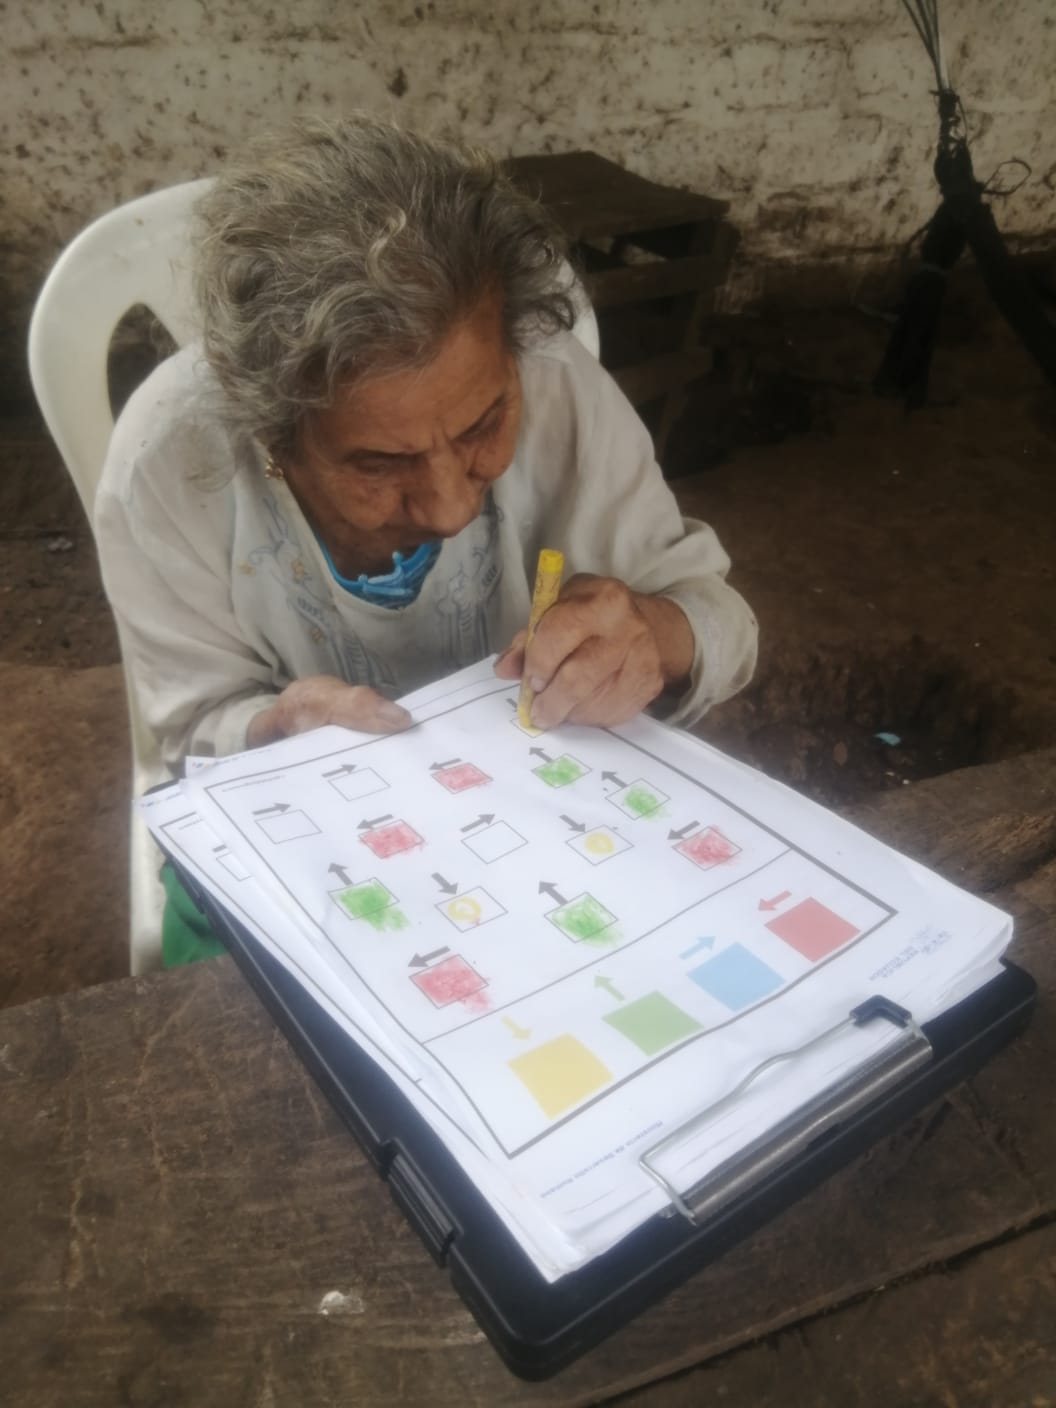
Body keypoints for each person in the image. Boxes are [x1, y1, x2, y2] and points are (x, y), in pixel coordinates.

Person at [94, 115, 758, 964]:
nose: (448, 509)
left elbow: (720, 622)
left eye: (484, 423)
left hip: (542, 826)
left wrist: (654, 633)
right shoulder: (167, 467)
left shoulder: (559, 386)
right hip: (318, 843)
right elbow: (193, 730)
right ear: (272, 436)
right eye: (378, 463)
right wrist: (273, 725)